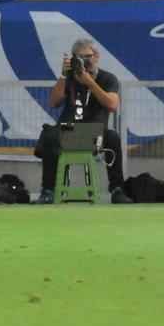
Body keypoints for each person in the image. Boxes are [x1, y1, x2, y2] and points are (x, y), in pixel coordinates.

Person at [34, 39, 132, 204]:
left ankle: (117, 190)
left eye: (88, 57)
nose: (86, 61)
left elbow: (113, 104)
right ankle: (48, 191)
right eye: (80, 58)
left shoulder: (108, 78)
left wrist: (90, 83)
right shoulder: (68, 78)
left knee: (113, 137)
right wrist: (63, 75)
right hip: (68, 132)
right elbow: (53, 102)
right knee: (50, 134)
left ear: (97, 56)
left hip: (95, 136)